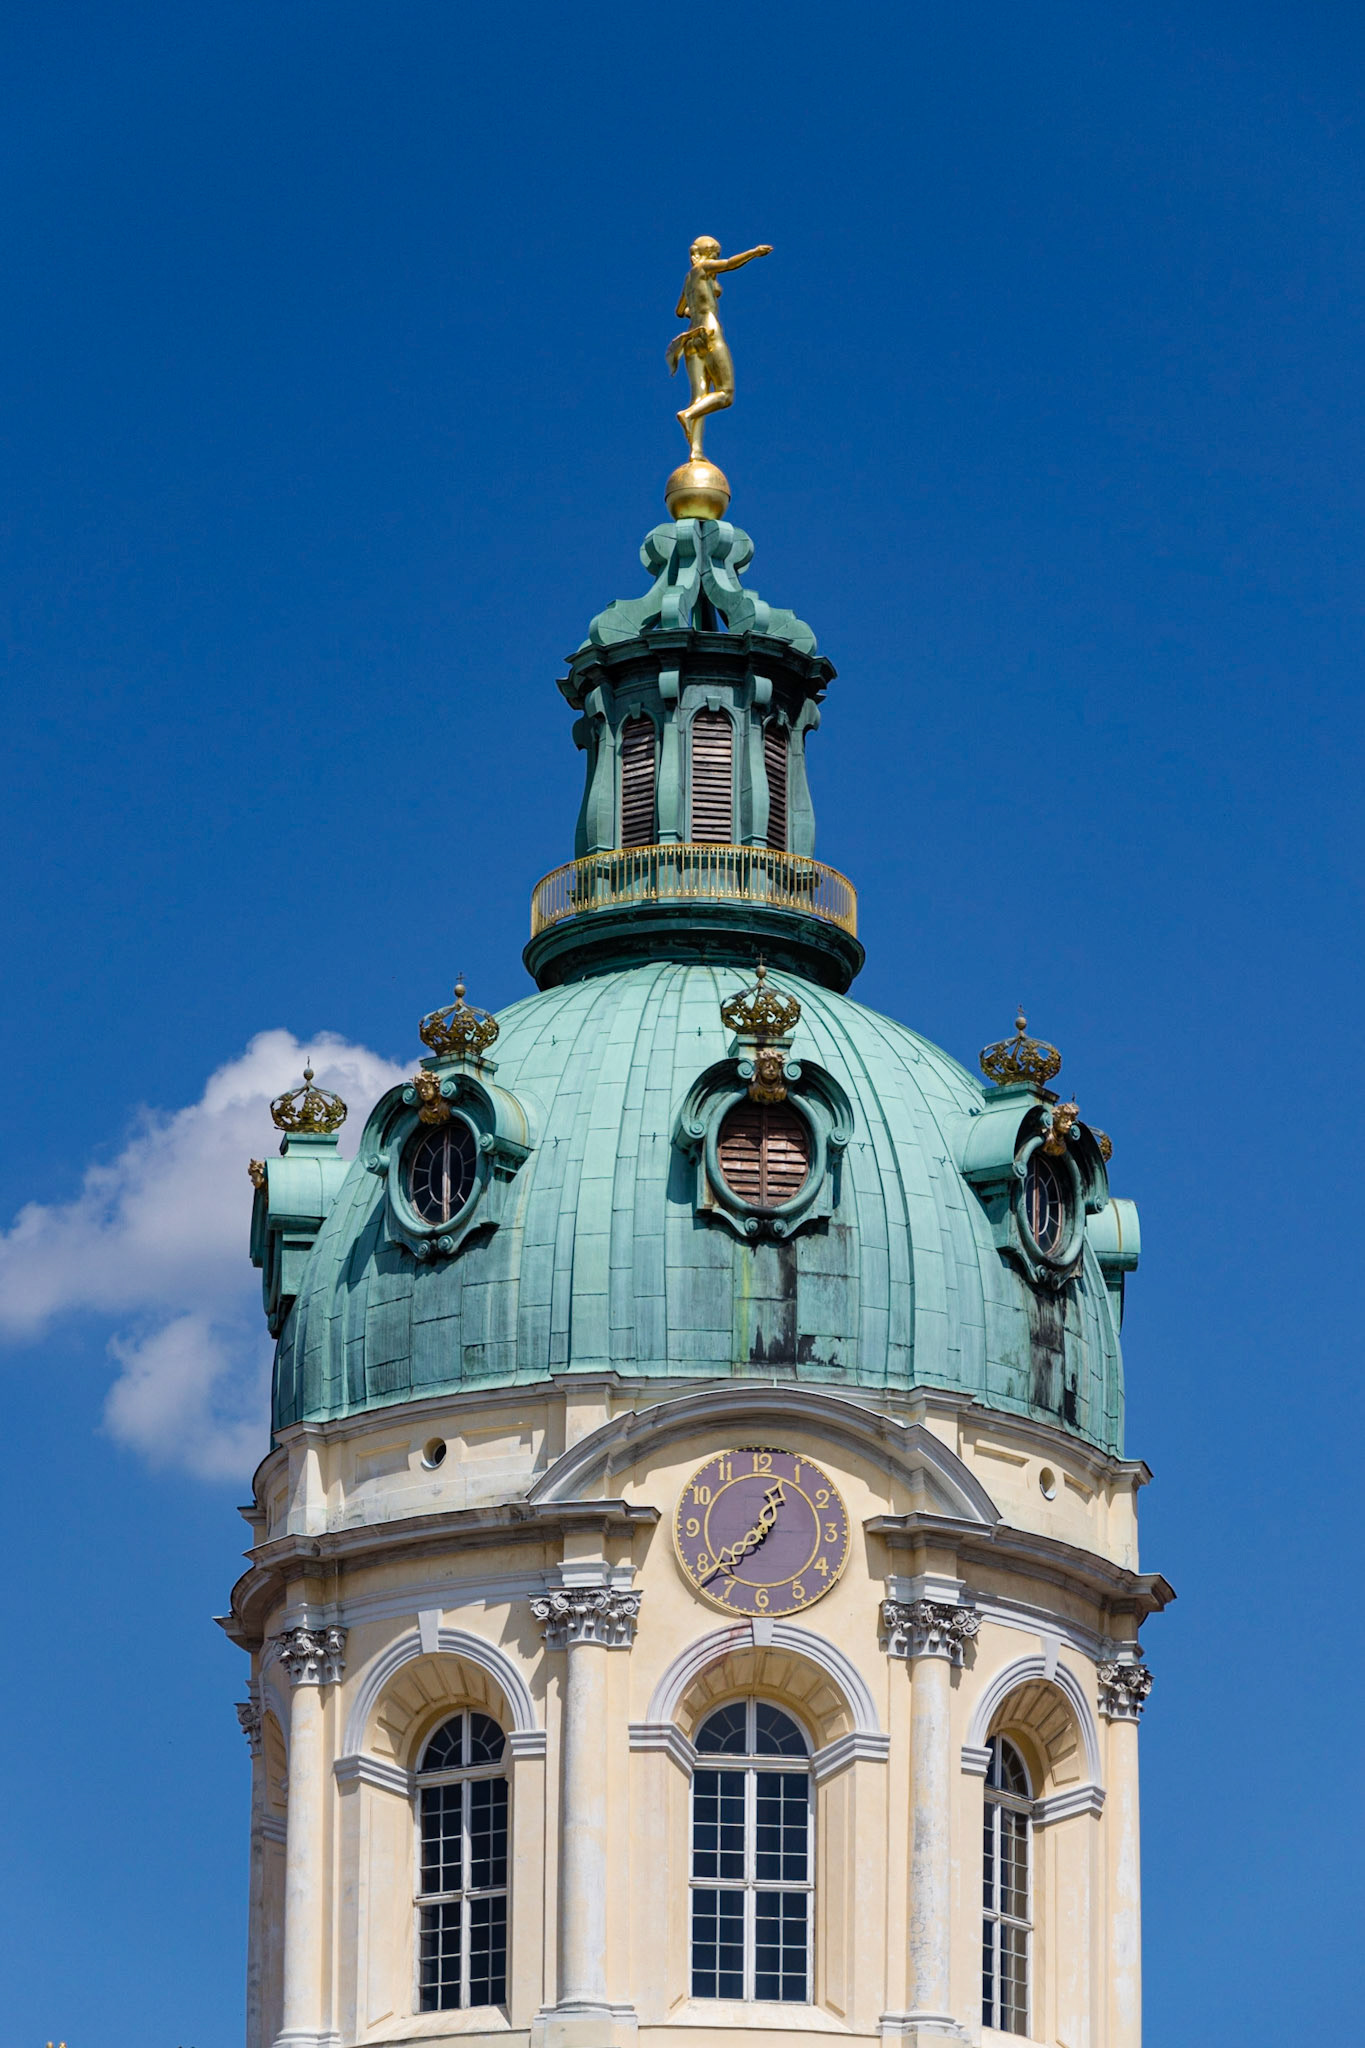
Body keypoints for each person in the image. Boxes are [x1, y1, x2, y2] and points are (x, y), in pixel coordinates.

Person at [667, 236, 773, 459]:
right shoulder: (704, 267)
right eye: (715, 254)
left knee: (699, 396)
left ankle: (695, 450)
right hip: (710, 331)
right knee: (726, 394)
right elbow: (729, 264)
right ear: (708, 254)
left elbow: (679, 311)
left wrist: (694, 312)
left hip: (691, 337)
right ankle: (687, 415)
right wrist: (754, 252)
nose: (716, 258)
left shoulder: (688, 279)